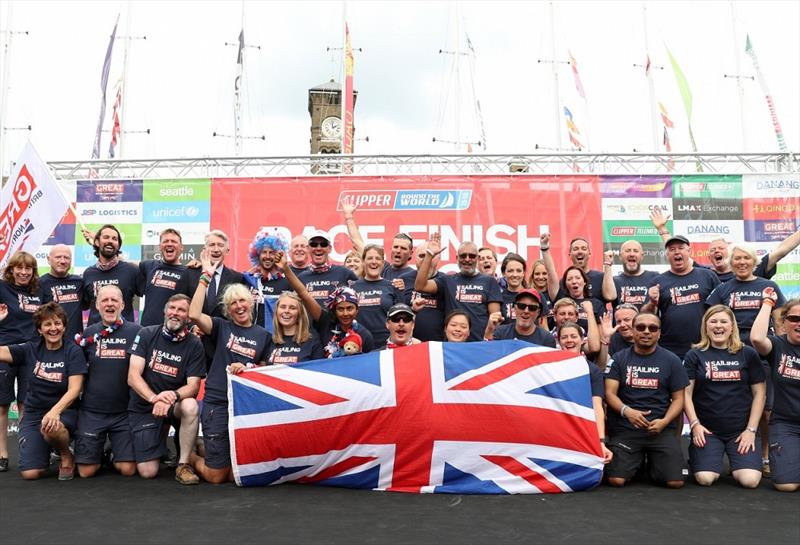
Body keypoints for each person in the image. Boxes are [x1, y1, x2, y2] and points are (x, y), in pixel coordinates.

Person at [189, 266, 271, 483]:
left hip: (244, 407)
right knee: (216, 477)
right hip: (218, 403)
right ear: (227, 309)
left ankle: (206, 449)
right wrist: (204, 279)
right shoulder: (221, 327)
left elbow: (264, 370)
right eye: (233, 303)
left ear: (250, 302)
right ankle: (189, 456)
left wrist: (248, 368)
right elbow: (194, 314)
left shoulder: (263, 335)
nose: (239, 306)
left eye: (242, 301)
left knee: (236, 474)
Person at [0, 302, 86, 480]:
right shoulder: (30, 349)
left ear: (64, 327)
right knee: (31, 474)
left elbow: (75, 389)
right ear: (39, 329)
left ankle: (65, 455)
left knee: (50, 426)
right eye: (47, 324)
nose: (53, 328)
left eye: (57, 323)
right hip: (34, 413)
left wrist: (54, 412)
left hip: (66, 413)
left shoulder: (73, 351)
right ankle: (48, 446)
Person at [682, 305, 766, 488]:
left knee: (750, 481)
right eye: (713, 321)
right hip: (708, 431)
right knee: (705, 478)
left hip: (740, 430)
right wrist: (695, 425)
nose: (718, 326)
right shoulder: (694, 355)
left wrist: (751, 430)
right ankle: (703, 458)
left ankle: (738, 460)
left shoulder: (748, 353)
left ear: (732, 326)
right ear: (705, 326)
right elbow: (686, 394)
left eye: (723, 321)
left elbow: (760, 393)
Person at [604, 312, 689, 489]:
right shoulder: (619, 358)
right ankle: (636, 462)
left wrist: (665, 422)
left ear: (659, 333)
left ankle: (654, 464)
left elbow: (679, 399)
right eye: (641, 327)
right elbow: (609, 394)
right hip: (626, 428)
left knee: (675, 482)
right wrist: (627, 412)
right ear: (633, 331)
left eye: (653, 328)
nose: (646, 332)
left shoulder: (672, 360)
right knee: (616, 480)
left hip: (660, 429)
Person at [127, 294, 206, 484]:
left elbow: (194, 386)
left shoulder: (195, 344)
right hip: (147, 405)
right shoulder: (146, 333)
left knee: (190, 406)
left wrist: (172, 396)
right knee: (148, 471)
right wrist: (155, 398)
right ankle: (182, 441)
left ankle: (183, 464)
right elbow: (132, 377)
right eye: (172, 308)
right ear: (164, 310)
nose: (175, 313)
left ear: (188, 316)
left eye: (181, 310)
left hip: (173, 405)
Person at [74, 285, 141, 478]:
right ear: (97, 305)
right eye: (105, 300)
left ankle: (113, 453)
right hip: (92, 412)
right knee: (86, 472)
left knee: (127, 470)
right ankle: (96, 455)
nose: (109, 304)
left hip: (123, 412)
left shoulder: (138, 332)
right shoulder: (88, 334)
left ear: (123, 304)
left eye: (114, 300)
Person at [651, 210, 800, 281]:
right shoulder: (705, 274)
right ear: (709, 257)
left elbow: (781, 250)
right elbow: (678, 253)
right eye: (712, 250)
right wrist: (662, 229)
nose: (716, 251)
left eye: (720, 248)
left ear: (729, 253)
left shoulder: (751, 268)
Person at [279, 252, 374, 357]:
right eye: (340, 309)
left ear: (357, 310)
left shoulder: (365, 335)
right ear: (334, 310)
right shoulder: (326, 322)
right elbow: (303, 293)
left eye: (350, 308)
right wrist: (286, 269)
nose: (345, 313)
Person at [642, 235, 720, 360]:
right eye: (672, 249)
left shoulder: (708, 276)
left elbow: (722, 310)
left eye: (681, 248)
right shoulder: (657, 282)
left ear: (689, 252)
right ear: (666, 255)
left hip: (706, 344)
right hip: (671, 348)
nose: (677, 252)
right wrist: (652, 302)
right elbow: (645, 317)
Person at [751, 295, 800, 492]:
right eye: (794, 319)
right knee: (786, 484)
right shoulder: (777, 346)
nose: (799, 324)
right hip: (785, 424)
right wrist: (767, 304)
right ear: (783, 322)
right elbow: (756, 338)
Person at [414, 233, 502, 341]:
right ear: (457, 258)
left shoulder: (489, 281)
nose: (467, 259)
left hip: (479, 345)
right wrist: (429, 254)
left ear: (478, 259)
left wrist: (488, 340)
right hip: (453, 345)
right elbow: (420, 286)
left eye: (472, 256)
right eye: (463, 256)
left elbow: (494, 318)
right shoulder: (447, 280)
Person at [0, 251, 42, 472]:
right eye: (20, 268)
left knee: (27, 403)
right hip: (4, 350)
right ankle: (2, 454)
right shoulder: (2, 287)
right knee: (2, 404)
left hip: (31, 352)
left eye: (29, 269)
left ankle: (28, 451)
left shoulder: (39, 290)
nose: (24, 272)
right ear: (11, 269)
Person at [706, 242, 786, 344]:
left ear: (754, 261)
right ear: (731, 262)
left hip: (763, 344)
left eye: (747, 258)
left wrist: (782, 350)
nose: (742, 262)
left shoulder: (770, 286)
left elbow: (779, 322)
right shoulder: (722, 289)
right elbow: (710, 321)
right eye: (737, 258)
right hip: (733, 346)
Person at [557, 320, 613, 464]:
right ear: (558, 341)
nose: (569, 340)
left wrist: (601, 442)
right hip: (557, 427)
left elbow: (597, 407)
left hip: (583, 427)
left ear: (582, 340)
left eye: (573, 336)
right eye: (564, 337)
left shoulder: (592, 370)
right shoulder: (549, 367)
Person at [81, 224, 140, 325]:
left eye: (114, 239)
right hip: (95, 336)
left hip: (125, 336)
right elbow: (84, 305)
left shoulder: (131, 270)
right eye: (106, 237)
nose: (110, 241)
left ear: (118, 245)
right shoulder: (88, 273)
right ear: (97, 242)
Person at [342, 203, 414, 282]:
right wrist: (349, 216)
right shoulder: (383, 268)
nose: (398, 250)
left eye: (403, 248)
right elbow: (357, 242)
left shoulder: (414, 275)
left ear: (410, 253)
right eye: (395, 247)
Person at [137, 228, 191, 327]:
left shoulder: (189, 272)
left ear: (181, 247)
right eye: (165, 241)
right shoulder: (149, 266)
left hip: (173, 332)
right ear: (160, 247)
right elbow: (128, 268)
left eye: (174, 241)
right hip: (147, 331)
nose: (169, 244)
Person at [241, 228, 291, 332]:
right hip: (252, 340)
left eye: (272, 253)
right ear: (257, 255)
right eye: (264, 252)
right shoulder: (247, 280)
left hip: (276, 340)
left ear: (278, 255)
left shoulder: (287, 283)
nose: (267, 256)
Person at [351, 245, 400, 346]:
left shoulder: (392, 286)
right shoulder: (352, 288)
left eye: (378, 258)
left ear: (383, 263)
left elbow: (401, 318)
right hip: (359, 346)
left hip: (386, 346)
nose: (374, 262)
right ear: (363, 262)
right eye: (369, 258)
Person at [297, 230, 358, 306]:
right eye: (314, 244)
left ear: (330, 248)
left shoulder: (344, 273)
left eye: (323, 244)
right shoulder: (301, 277)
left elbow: (358, 300)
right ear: (308, 248)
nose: (318, 248)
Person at [39, 244, 84, 341]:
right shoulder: (40, 283)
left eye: (66, 258)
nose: (63, 261)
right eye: (58, 257)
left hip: (76, 344)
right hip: (50, 343)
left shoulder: (79, 282)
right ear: (48, 259)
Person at [404, 242, 446, 342]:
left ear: (439, 258)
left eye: (432, 255)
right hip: (409, 344)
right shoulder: (403, 280)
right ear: (415, 258)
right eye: (422, 255)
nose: (427, 259)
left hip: (438, 345)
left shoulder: (447, 280)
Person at [484, 289, 555, 348]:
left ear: (538, 312)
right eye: (522, 306)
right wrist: (489, 330)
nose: (526, 311)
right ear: (515, 308)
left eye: (532, 308)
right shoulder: (501, 333)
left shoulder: (546, 339)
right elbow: (488, 355)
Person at [268, 292, 324, 364]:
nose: (286, 311)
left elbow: (319, 371)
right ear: (276, 311)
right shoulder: (269, 341)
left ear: (300, 313)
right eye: (283, 307)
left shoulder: (313, 342)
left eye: (292, 308)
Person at [613, 240, 660, 309]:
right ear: (620, 256)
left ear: (642, 256)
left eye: (635, 251)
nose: (632, 254)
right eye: (628, 251)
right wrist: (607, 265)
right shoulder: (614, 281)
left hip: (647, 319)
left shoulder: (655, 277)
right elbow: (608, 297)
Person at [498, 253, 528, 323]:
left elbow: (543, 327)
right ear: (503, 273)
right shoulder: (498, 298)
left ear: (523, 273)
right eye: (510, 271)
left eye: (519, 271)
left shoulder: (536, 296)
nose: (515, 275)